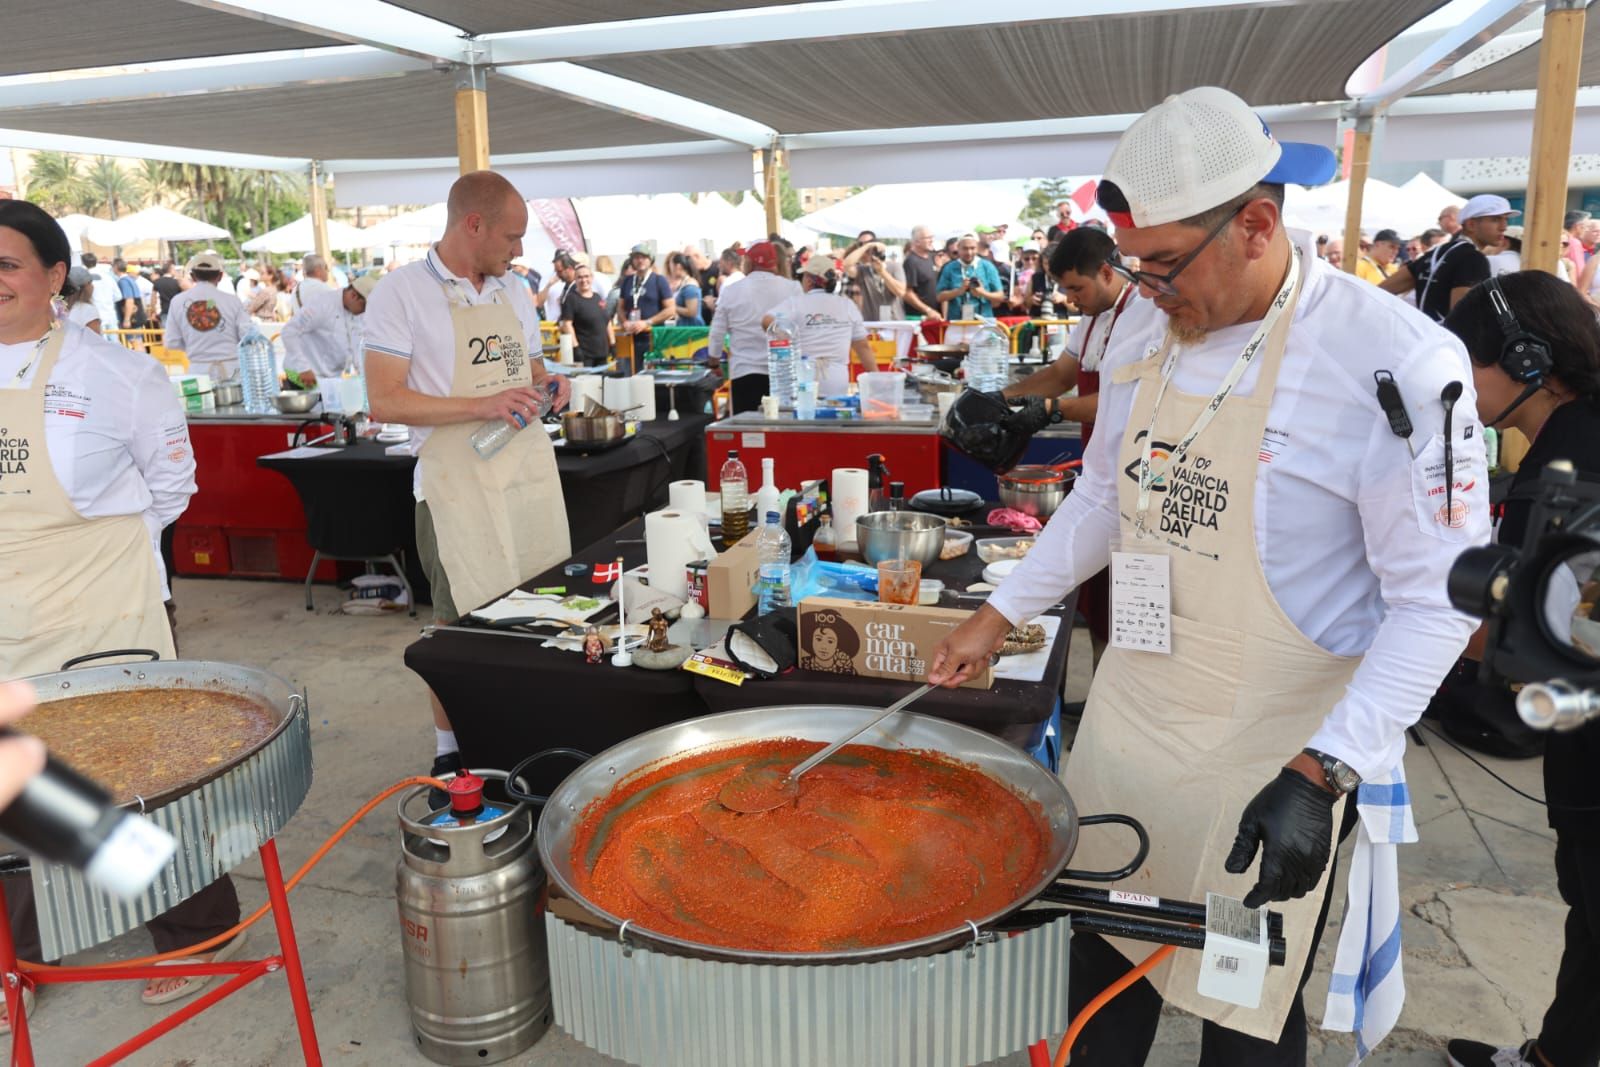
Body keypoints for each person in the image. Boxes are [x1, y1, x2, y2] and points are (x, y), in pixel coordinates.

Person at [928, 86, 1486, 1064]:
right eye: (1132, 266)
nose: (1143, 288)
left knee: (1242, 1003)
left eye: (1161, 264)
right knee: (1091, 977)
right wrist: (999, 611)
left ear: (1258, 224)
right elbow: (1105, 492)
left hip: (1276, 747)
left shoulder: (1394, 361)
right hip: (1136, 710)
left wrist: (1326, 768)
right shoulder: (1150, 324)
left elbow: (1436, 595)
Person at [0, 200, 245, 1017]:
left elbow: (173, 486)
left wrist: (102, 558)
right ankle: (15, 958)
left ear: (54, 277)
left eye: (7, 264)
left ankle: (197, 929)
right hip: (5, 607)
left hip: (106, 603)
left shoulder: (117, 374)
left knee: (138, 776)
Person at [1438, 271, 1600, 1067]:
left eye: (1470, 364)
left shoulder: (1570, 465)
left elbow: (1529, 632)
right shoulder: (1573, 439)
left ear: (1529, 359)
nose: (1461, 385)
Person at [363, 170, 572, 786]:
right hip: (453, 486)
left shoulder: (515, 291)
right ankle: (451, 748)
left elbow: (528, 366)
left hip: (523, 471)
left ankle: (524, 727)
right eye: (511, 237)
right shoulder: (401, 293)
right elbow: (385, 400)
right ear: (471, 225)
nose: (520, 251)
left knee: (536, 608)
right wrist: (481, 405)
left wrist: (550, 384)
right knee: (459, 628)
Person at [1381, 194, 1514, 321]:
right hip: (1449, 341)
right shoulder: (1473, 258)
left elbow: (1380, 291)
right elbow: (1464, 318)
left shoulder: (1437, 251)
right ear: (1471, 225)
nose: (1504, 227)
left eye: (1505, 219)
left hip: (1427, 338)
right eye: (1495, 220)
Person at [762, 252, 880, 396]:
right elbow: (863, 347)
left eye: (803, 276)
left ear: (810, 281)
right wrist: (876, 380)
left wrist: (786, 338)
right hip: (837, 380)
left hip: (804, 378)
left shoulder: (795, 303)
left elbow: (766, 321)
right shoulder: (846, 305)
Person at [706, 240, 801, 413]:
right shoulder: (793, 288)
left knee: (749, 432)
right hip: (783, 371)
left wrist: (713, 361)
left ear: (749, 262)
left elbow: (717, 331)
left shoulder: (732, 290)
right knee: (784, 429)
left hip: (745, 370)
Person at [280, 273, 379, 383]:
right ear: (354, 296)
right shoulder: (321, 304)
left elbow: (356, 345)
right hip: (299, 374)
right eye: (364, 306)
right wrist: (303, 368)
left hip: (329, 378)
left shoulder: (356, 313)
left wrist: (363, 376)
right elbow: (289, 332)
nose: (365, 311)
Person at [163, 252, 248, 380]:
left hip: (198, 372)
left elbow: (172, 342)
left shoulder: (178, 301)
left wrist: (197, 347)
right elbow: (247, 335)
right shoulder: (233, 301)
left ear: (192, 276)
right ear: (219, 276)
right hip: (233, 371)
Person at [935, 234, 1004, 319]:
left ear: (977, 247)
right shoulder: (949, 268)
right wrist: (959, 291)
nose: (969, 252)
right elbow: (939, 297)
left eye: (972, 248)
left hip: (983, 320)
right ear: (958, 248)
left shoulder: (987, 266)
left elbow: (1000, 296)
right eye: (965, 248)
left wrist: (983, 293)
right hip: (957, 321)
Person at [559, 263, 613, 366]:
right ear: (575, 279)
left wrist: (613, 343)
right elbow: (567, 324)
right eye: (580, 277)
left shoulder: (597, 297)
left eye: (586, 276)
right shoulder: (571, 299)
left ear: (592, 278)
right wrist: (576, 347)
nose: (584, 280)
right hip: (585, 354)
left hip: (602, 353)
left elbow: (607, 321)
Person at [615, 245, 674, 335]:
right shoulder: (627, 281)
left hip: (653, 336)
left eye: (644, 257)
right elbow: (620, 307)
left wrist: (647, 322)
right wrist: (624, 321)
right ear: (632, 261)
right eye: (637, 257)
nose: (640, 260)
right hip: (631, 335)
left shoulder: (659, 280)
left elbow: (671, 309)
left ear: (650, 260)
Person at [902, 225, 943, 320]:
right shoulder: (911, 261)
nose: (931, 240)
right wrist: (928, 310)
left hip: (936, 316)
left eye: (932, 237)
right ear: (917, 242)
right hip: (918, 317)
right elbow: (908, 293)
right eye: (928, 238)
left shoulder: (933, 257)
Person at [82, 252, 118, 329]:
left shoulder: (86, 279)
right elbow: (118, 296)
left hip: (96, 316)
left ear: (83, 264)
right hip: (110, 315)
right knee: (114, 340)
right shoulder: (108, 276)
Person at [60, 266, 101, 333]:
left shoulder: (58, 309)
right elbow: (95, 341)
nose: (92, 286)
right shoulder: (88, 310)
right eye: (90, 282)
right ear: (85, 286)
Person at [665, 253, 701, 324]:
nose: (670, 270)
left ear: (678, 266)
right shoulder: (683, 284)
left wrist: (672, 308)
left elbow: (692, 312)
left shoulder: (690, 286)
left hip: (691, 328)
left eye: (671, 266)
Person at [113, 257, 146, 331]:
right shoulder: (130, 280)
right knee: (137, 339)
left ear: (116, 267)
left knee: (133, 340)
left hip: (132, 317)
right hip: (137, 313)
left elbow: (129, 300)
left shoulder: (123, 282)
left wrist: (126, 319)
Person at [151, 262, 182, 326]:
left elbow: (153, 299)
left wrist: (153, 311)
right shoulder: (177, 282)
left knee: (166, 332)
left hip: (165, 311)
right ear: (171, 270)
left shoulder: (157, 282)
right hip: (177, 311)